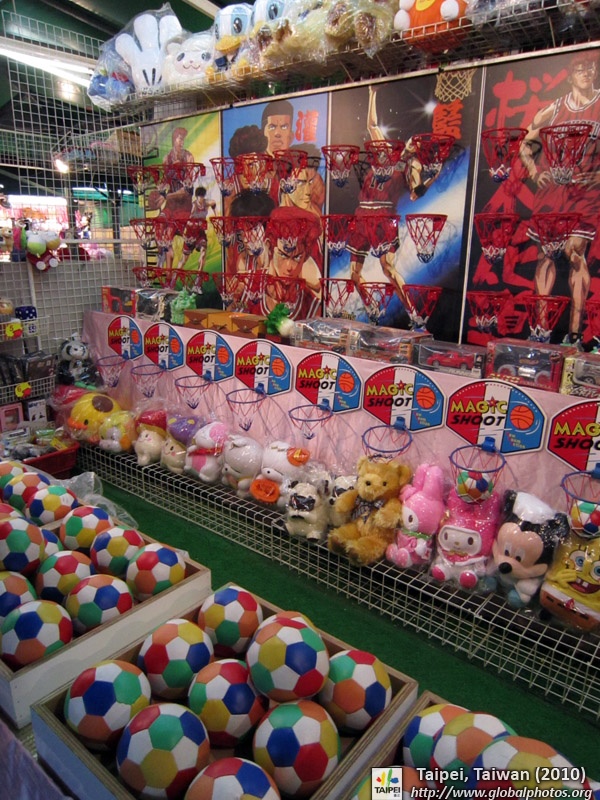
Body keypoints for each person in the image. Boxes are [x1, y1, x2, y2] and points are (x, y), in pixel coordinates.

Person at [519, 52, 600, 344]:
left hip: (584, 194)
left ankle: (574, 334)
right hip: (553, 193)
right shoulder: (554, 109)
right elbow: (525, 144)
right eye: (580, 68)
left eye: (590, 68)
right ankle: (541, 330)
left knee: (574, 252)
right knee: (545, 255)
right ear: (570, 74)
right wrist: (533, 172)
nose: (586, 72)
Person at [346, 85, 407, 296]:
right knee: (354, 274)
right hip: (362, 215)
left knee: (387, 268)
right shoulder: (381, 154)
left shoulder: (401, 168)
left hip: (383, 217)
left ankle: (413, 310)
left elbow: (416, 190)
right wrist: (372, 93)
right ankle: (372, 308)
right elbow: (372, 125)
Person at [265, 206, 322, 317]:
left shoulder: (311, 307)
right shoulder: (250, 286)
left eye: (297, 258)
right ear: (270, 247)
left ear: (306, 257)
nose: (289, 267)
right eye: (283, 255)